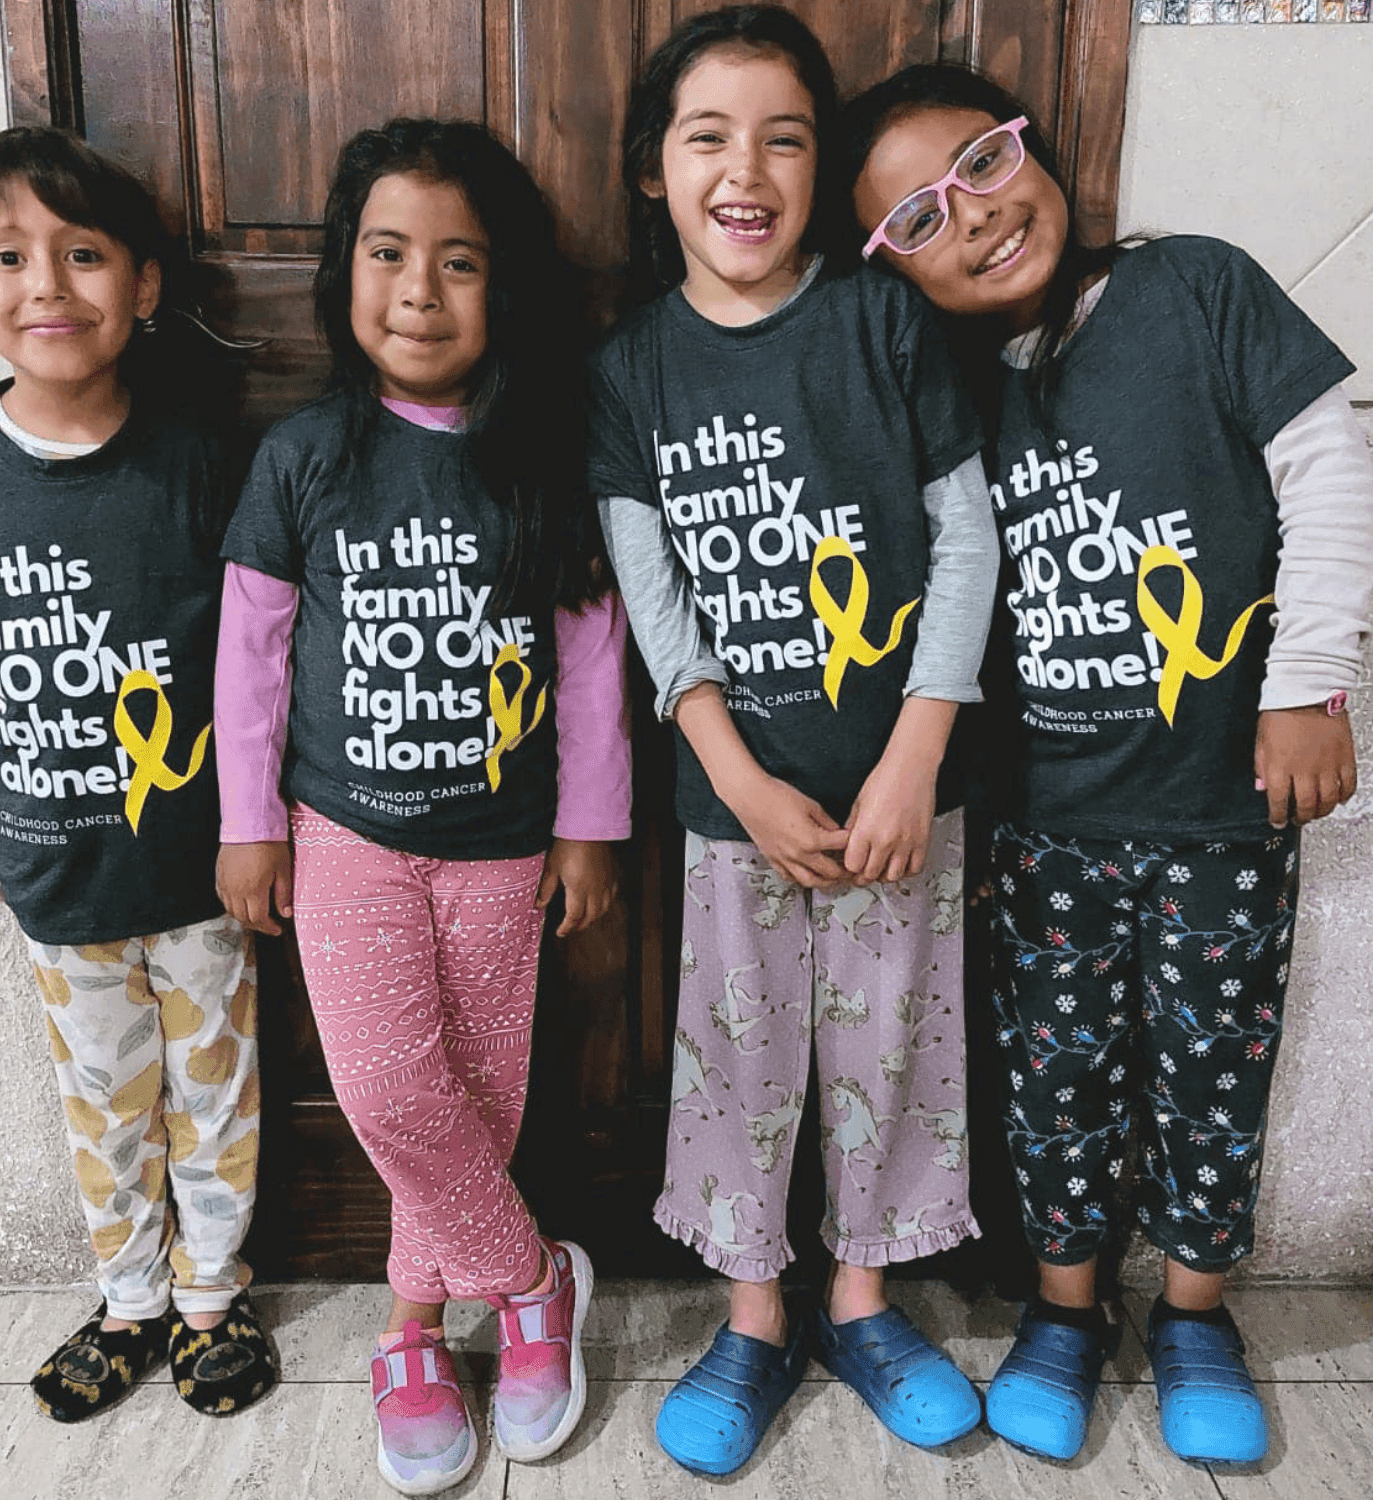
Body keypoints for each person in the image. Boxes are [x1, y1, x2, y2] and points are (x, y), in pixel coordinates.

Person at [845, 63, 1373, 1467]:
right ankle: (1066, 1311)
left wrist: (1309, 684)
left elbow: (1327, 467)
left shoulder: (1195, 287)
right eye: (915, 216)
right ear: (894, 270)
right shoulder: (950, 393)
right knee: (1056, 1082)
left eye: (980, 161)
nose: (969, 213)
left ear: (1034, 145)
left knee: (1213, 1078)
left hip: (1220, 810)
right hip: (1045, 824)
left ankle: (1195, 1316)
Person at [587, 5, 1000, 1476]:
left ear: (820, 170)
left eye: (784, 138)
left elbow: (967, 541)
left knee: (896, 1047)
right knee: (737, 1064)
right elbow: (654, 600)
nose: (745, 171)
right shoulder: (632, 369)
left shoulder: (884, 320)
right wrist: (739, 778)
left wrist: (915, 754)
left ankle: (864, 1303)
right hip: (734, 808)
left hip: (905, 795)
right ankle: (755, 1315)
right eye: (708, 137)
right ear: (654, 169)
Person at [214, 117, 631, 1495]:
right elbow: (251, 654)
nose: (419, 291)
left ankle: (414, 1329)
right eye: (388, 253)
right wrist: (247, 822)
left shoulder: (544, 455)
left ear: (504, 288)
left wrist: (590, 826)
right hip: (346, 833)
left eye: (460, 262)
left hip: (504, 845)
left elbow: (590, 658)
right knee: (394, 1090)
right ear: (345, 269)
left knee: (478, 1096)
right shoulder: (306, 455)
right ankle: (532, 1279)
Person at [0, 127, 275, 1422]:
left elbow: (261, 650)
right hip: (53, 863)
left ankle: (211, 1298)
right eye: (8, 257)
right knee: (105, 1102)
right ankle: (130, 1299)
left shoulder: (202, 452)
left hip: (204, 863)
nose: (47, 284)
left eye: (84, 254)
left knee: (214, 1092)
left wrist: (264, 821)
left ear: (144, 285)